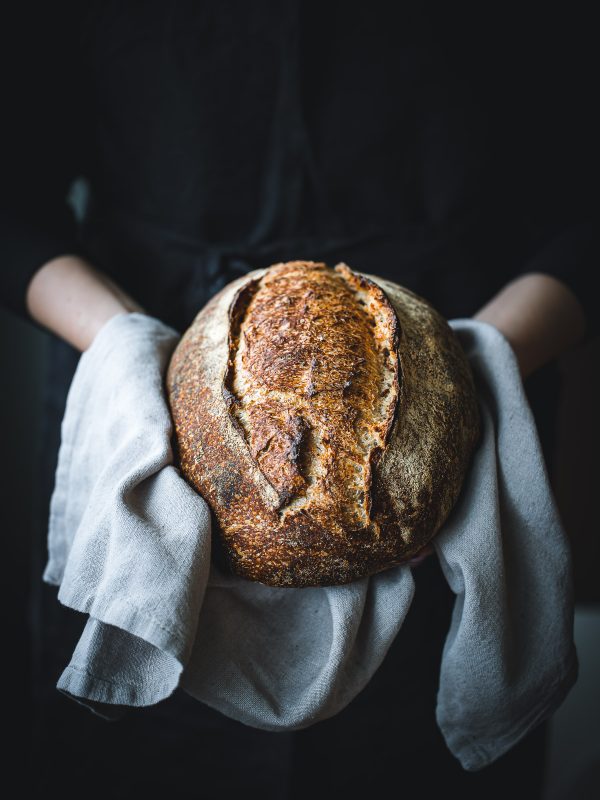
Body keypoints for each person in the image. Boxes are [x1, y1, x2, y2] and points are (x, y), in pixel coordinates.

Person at [2, 2, 596, 797]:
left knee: (414, 765)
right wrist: (124, 347)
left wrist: (468, 375)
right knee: (144, 756)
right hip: (131, 373)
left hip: (476, 361)